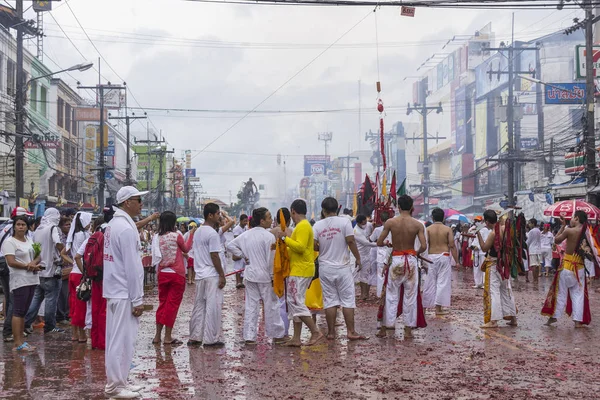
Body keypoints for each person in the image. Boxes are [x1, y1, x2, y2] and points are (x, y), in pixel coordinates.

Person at [103, 186, 148, 398]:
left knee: (119, 339)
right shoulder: (126, 229)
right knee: (121, 340)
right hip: (123, 292)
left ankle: (120, 381)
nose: (141, 204)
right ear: (127, 202)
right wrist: (137, 298)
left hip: (116, 290)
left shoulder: (114, 225)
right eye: (138, 200)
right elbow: (132, 267)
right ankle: (116, 386)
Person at [227, 208, 286, 345]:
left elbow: (230, 246)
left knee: (251, 306)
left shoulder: (246, 235)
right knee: (271, 305)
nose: (272, 220)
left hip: (250, 274)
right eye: (269, 217)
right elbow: (271, 260)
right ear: (262, 220)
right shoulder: (269, 236)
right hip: (265, 276)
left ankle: (249, 337)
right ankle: (276, 335)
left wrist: (244, 256)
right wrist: (273, 277)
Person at [313, 197, 367, 341]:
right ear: (337, 209)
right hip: (343, 267)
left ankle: (331, 333)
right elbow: (350, 240)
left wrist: (323, 246)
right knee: (348, 300)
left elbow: (314, 246)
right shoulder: (345, 222)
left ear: (323, 210)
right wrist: (358, 258)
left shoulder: (317, 225)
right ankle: (351, 331)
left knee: (330, 301)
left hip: (325, 268)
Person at [376, 195, 427, 339]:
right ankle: (408, 329)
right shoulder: (417, 224)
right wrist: (415, 253)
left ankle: (387, 326)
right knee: (410, 296)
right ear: (412, 207)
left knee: (391, 295)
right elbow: (424, 246)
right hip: (410, 260)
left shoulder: (391, 222)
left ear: (398, 207)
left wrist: (387, 244)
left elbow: (379, 242)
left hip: (396, 259)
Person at [275, 199, 324, 347]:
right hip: (300, 268)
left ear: (293, 211)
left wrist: (284, 238)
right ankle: (296, 338)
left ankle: (315, 331)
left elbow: (301, 247)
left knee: (295, 302)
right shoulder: (302, 226)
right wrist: (282, 247)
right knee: (295, 302)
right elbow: (298, 249)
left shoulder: (302, 226)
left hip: (301, 270)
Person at [151, 211, 195, 345]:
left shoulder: (156, 237)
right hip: (177, 274)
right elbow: (186, 249)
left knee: (162, 304)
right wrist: (191, 235)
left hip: (162, 273)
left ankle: (157, 336)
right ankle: (168, 337)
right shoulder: (177, 236)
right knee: (172, 305)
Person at [543, 211, 592, 327]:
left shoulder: (569, 230)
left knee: (560, 293)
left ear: (576, 218)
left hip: (567, 266)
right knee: (578, 294)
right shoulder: (587, 233)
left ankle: (554, 317)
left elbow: (556, 240)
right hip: (579, 268)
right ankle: (577, 321)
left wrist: (562, 226)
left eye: (572, 217)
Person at [188, 203, 227, 348]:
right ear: (210, 215)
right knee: (212, 306)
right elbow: (214, 256)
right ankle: (210, 339)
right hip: (211, 274)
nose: (220, 216)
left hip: (200, 274)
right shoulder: (212, 233)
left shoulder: (197, 232)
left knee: (199, 306)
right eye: (218, 214)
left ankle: (195, 337)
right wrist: (222, 275)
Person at [1, 215, 41, 351]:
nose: (21, 227)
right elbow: (10, 261)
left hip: (32, 279)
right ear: (14, 226)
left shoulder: (29, 240)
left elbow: (38, 255)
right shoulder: (10, 242)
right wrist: (27, 266)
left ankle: (22, 341)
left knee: (24, 311)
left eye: (23, 225)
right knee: (17, 311)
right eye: (18, 224)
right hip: (19, 280)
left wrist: (33, 263)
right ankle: (17, 343)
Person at [24, 208, 65, 334]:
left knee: (36, 299)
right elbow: (58, 243)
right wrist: (63, 252)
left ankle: (26, 323)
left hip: (39, 270)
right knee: (51, 299)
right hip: (51, 270)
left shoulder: (39, 229)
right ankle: (50, 326)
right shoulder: (53, 228)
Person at [476, 210, 517, 329]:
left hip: (495, 264)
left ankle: (493, 320)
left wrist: (478, 234)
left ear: (487, 221)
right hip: (505, 263)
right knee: (506, 290)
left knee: (494, 292)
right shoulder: (505, 228)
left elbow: (484, 248)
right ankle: (513, 318)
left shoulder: (494, 233)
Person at [74, 216, 106, 349]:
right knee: (104, 310)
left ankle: (94, 340)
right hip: (105, 279)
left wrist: (86, 273)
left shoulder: (90, 239)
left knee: (92, 309)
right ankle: (103, 342)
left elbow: (77, 256)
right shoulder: (107, 239)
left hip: (92, 278)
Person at [62, 212, 92, 343]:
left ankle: (74, 333)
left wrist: (73, 262)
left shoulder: (73, 235)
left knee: (73, 303)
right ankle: (82, 334)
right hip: (81, 273)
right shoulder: (85, 235)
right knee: (81, 304)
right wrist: (84, 269)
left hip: (73, 273)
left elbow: (63, 253)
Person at [423, 208, 459, 315]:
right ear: (443, 218)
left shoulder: (428, 229)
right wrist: (457, 261)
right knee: (442, 283)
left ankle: (425, 308)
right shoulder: (447, 229)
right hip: (444, 256)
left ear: (432, 218)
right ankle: (438, 309)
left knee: (429, 283)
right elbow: (452, 246)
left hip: (430, 257)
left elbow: (425, 245)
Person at [270, 207, 294, 337]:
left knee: (275, 302)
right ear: (288, 219)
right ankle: (284, 331)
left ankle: (276, 332)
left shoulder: (271, 232)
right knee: (285, 302)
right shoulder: (290, 232)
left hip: (273, 270)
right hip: (287, 271)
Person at [370, 211, 392, 298]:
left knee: (380, 275)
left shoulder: (377, 230)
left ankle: (380, 294)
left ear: (380, 219)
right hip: (390, 252)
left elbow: (371, 239)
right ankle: (388, 294)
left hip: (381, 253)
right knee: (390, 274)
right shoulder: (392, 228)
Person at [354, 214, 376, 300]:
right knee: (360, 276)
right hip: (359, 255)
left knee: (367, 275)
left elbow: (373, 225)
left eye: (366, 222)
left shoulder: (368, 225)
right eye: (363, 223)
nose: (365, 225)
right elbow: (366, 243)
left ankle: (366, 294)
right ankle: (363, 294)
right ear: (359, 223)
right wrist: (379, 244)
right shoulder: (356, 231)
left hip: (368, 254)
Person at [56, 217, 73, 325]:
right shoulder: (59, 239)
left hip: (70, 268)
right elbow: (60, 253)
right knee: (62, 293)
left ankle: (67, 314)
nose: (69, 226)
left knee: (67, 293)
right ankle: (61, 315)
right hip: (62, 269)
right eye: (66, 225)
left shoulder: (69, 237)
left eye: (70, 224)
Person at [470, 216, 488, 289]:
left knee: (483, 268)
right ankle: (478, 283)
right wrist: (473, 246)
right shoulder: (475, 230)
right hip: (475, 252)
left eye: (478, 220)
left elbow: (485, 240)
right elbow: (474, 240)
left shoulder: (485, 230)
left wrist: (479, 247)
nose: (477, 222)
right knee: (476, 268)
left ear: (482, 221)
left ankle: (484, 283)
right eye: (475, 220)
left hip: (482, 252)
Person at [231, 214, 249, 289]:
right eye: (244, 221)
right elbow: (236, 239)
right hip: (238, 249)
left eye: (246, 221)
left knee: (242, 266)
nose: (246, 222)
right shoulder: (236, 229)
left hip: (243, 249)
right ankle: (238, 282)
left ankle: (241, 282)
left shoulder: (245, 228)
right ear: (241, 221)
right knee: (237, 267)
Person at [526, 218, 542, 284]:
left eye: (530, 223)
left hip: (532, 249)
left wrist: (525, 245)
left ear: (533, 223)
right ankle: (536, 279)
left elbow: (528, 241)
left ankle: (534, 279)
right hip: (538, 249)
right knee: (537, 265)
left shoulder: (531, 231)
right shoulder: (538, 230)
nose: (529, 224)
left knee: (534, 265)